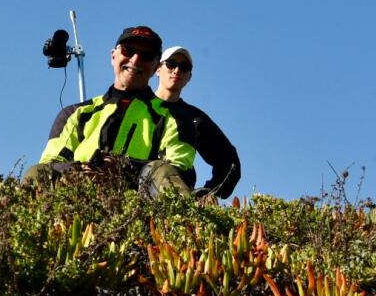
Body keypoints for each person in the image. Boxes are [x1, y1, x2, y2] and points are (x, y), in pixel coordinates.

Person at [26, 25, 193, 196]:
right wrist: (82, 170)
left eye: (146, 55)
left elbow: (181, 171)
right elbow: (51, 162)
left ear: (156, 66)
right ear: (113, 55)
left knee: (161, 170)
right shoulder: (75, 114)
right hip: (75, 200)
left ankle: (184, 222)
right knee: (37, 172)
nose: (135, 60)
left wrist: (122, 168)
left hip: (138, 208)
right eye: (128, 51)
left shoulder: (175, 118)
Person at [155, 46, 242, 199]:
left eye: (184, 67)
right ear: (157, 68)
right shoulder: (137, 105)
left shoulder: (193, 118)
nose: (177, 70)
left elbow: (229, 161)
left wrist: (210, 193)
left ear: (189, 77)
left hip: (175, 202)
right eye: (171, 64)